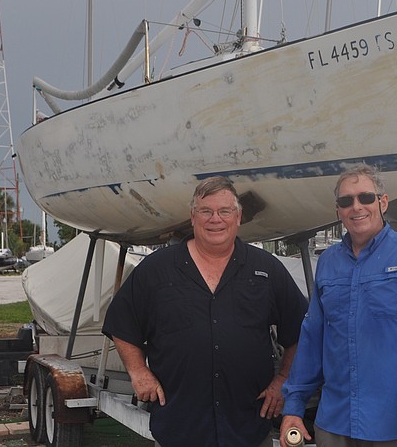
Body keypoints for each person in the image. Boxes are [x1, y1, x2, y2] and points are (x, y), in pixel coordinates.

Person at [103, 176, 309, 447]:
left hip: (247, 427)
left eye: (225, 211)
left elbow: (300, 331)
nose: (216, 219)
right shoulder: (156, 270)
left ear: (238, 217)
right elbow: (122, 323)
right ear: (192, 217)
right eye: (206, 211)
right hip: (180, 427)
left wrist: (284, 379)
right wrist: (138, 371)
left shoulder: (266, 270)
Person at [280, 165, 397, 447]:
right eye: (346, 201)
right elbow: (313, 337)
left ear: (382, 202)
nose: (356, 207)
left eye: (366, 198)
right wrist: (293, 406)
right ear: (338, 210)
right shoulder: (328, 262)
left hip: (396, 425)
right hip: (335, 422)